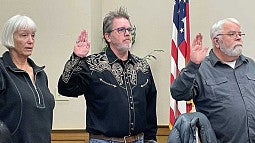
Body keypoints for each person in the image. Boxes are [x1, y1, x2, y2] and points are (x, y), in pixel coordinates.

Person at [58, 7, 157, 143]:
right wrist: (76, 58)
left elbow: (150, 106)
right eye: (121, 30)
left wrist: (151, 139)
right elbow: (65, 89)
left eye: (129, 29)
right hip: (104, 140)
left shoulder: (142, 66)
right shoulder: (92, 65)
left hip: (138, 139)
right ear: (107, 36)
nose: (127, 33)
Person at [170, 17, 255, 142]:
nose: (238, 37)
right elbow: (178, 93)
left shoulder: (250, 65)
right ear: (216, 41)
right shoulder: (201, 68)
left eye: (240, 34)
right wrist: (192, 65)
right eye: (232, 34)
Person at [0, 15, 55, 142]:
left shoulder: (40, 74)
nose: (30, 40)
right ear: (10, 38)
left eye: (33, 35)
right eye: (24, 35)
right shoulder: (2, 70)